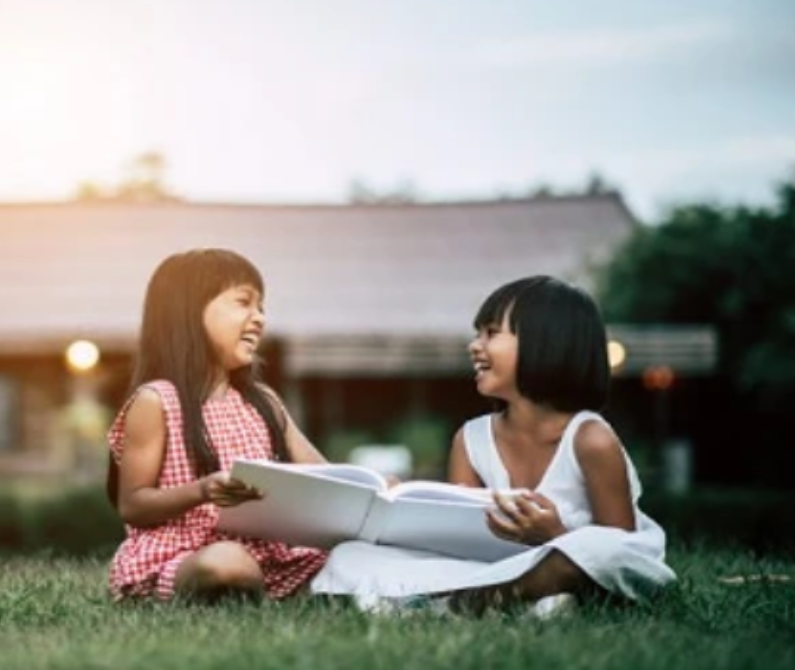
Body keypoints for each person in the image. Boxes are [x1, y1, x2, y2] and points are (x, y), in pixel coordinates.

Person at [311, 275, 676, 616]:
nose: (475, 346)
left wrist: (553, 536)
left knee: (598, 554)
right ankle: (530, 601)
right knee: (349, 556)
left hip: (571, 560)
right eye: (477, 334)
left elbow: (620, 548)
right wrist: (399, 502)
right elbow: (453, 535)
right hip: (497, 566)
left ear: (544, 343)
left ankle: (465, 603)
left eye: (490, 333)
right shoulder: (471, 438)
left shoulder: (591, 438)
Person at [106, 248, 328, 602]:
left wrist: (376, 489)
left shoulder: (263, 401)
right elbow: (133, 505)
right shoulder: (157, 401)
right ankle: (261, 590)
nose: (259, 318)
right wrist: (202, 490)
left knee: (353, 553)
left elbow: (324, 475)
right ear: (189, 314)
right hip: (183, 555)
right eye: (244, 302)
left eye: (262, 308)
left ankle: (265, 589)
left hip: (271, 553)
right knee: (227, 562)